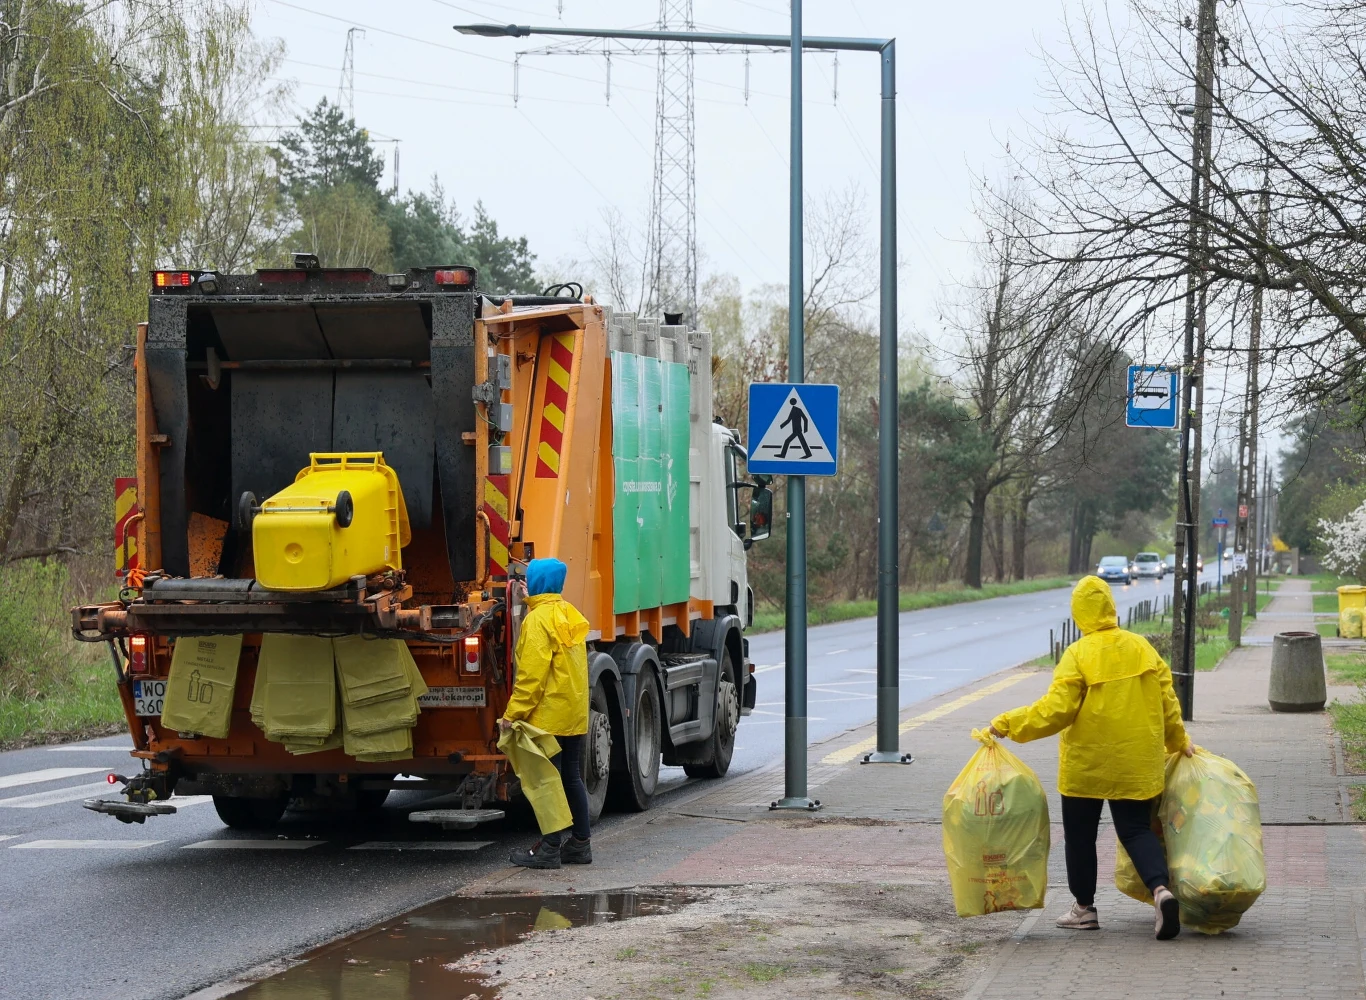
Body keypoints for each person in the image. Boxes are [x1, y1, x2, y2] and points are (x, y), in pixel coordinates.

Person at [987, 575, 1193, 940]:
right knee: (1135, 830)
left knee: (1080, 836)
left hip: (1087, 764)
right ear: (1111, 606)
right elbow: (1168, 703)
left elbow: (1056, 711)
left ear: (1080, 614)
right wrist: (1180, 742)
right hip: (1136, 761)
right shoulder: (1143, 648)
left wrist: (1009, 724)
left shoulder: (1078, 654)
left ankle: (1084, 909)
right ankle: (1161, 891)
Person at [501, 557, 593, 870]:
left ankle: (551, 846)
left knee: (546, 781)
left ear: (538, 583)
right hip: (574, 712)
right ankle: (580, 843)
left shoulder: (537, 620)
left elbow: (531, 677)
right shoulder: (568, 613)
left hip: (548, 716)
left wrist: (512, 714)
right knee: (571, 777)